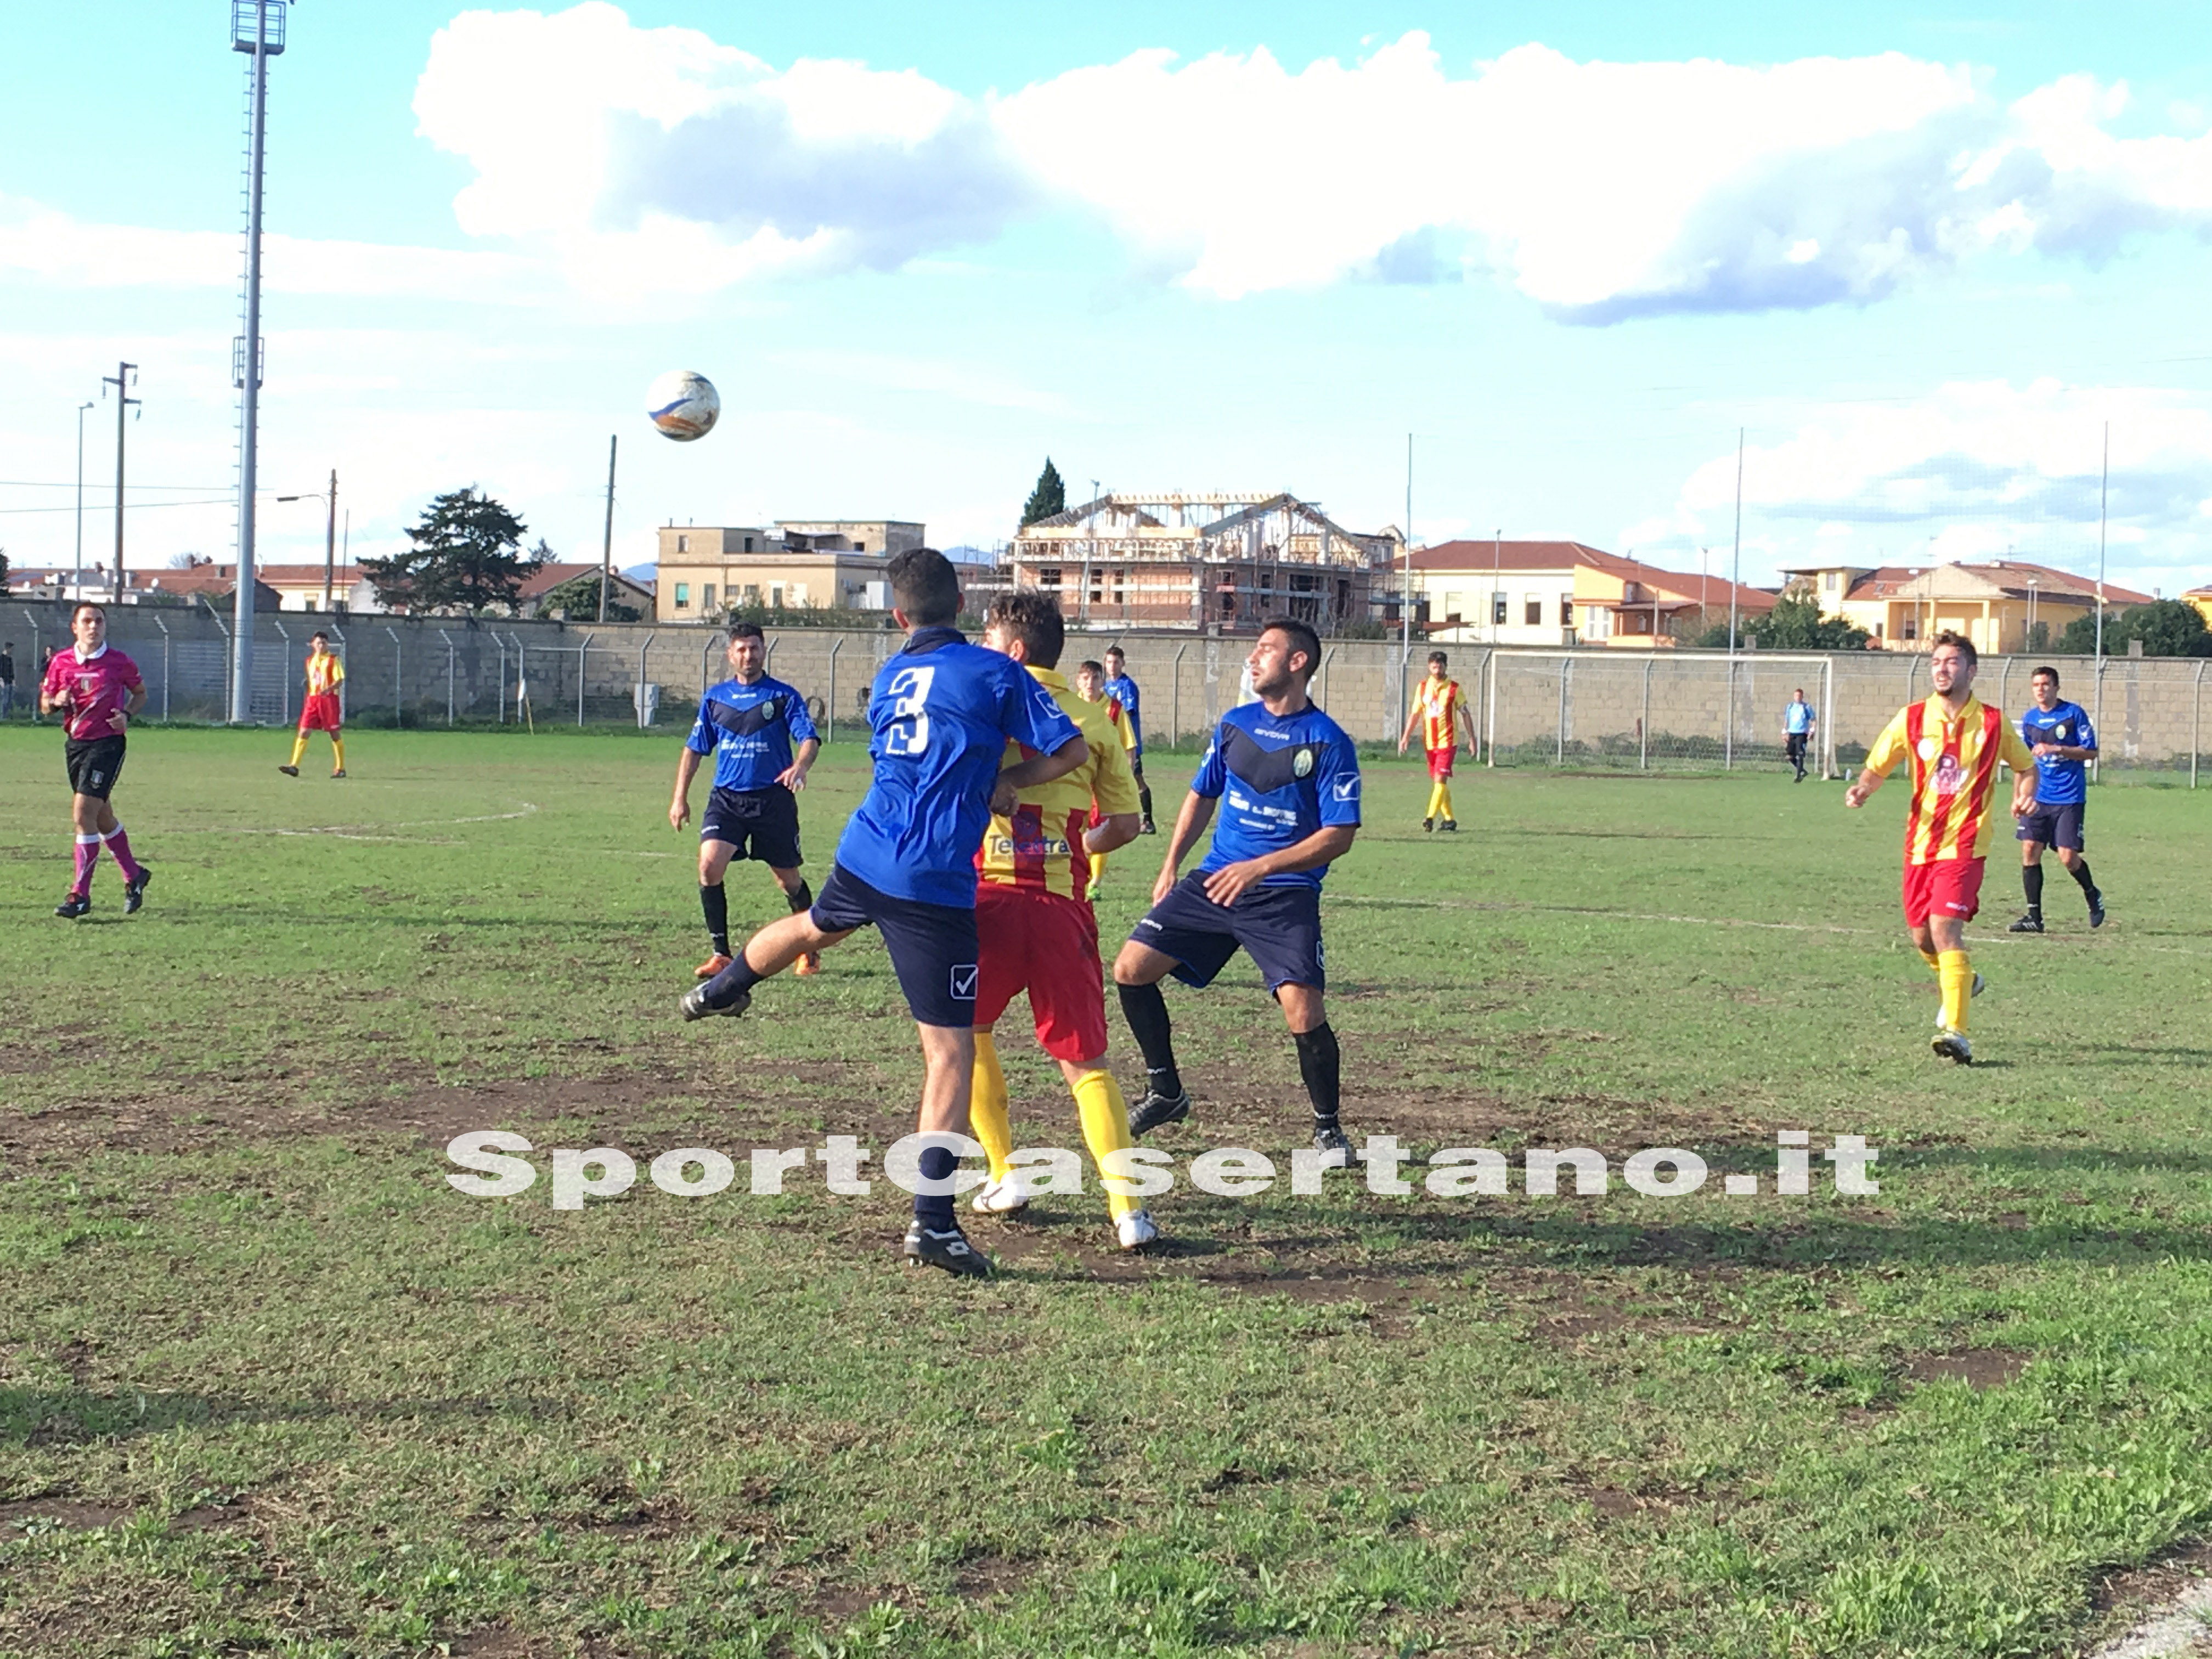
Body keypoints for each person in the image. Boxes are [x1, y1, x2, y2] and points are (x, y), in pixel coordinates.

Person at [680, 548, 1087, 1277]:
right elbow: (1067, 750)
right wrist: (1007, 778)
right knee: (950, 1054)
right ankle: (933, 1222)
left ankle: (724, 985)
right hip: (932, 882)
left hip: (867, 850)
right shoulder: (998, 673)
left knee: (816, 926)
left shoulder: (895, 675)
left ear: (900, 616)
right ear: (960, 602)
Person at [1114, 618, 1362, 1161]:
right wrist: (1171, 863)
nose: (1253, 659)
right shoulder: (1234, 724)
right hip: (1214, 879)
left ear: (1298, 663)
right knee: (1131, 970)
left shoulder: (1328, 741)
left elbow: (1339, 835)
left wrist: (1262, 868)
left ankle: (1328, 1129)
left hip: (1284, 890)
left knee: (1302, 1010)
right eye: (1253, 650)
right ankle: (1166, 1092)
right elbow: (1202, 795)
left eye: (1266, 650)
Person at [967, 597, 1157, 1250]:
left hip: (986, 904)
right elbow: (1126, 826)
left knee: (965, 1038)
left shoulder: (979, 710)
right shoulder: (1094, 724)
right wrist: (1066, 848)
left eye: (989, 638)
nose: (981, 648)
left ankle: (1004, 1173)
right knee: (1088, 1065)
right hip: (1060, 911)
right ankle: (1129, 1212)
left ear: (1015, 649)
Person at [1844, 632, 2036, 1065]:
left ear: (1971, 670)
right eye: (1936, 661)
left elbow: (2026, 767)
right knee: (1921, 937)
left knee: (1945, 930)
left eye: (1951, 662)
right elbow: (1878, 767)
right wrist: (1862, 790)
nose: (1942, 669)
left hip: (1966, 844)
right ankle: (1963, 981)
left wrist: (2024, 793)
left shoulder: (1992, 722)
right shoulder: (1911, 719)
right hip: (1920, 845)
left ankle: (1958, 1031)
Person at [670, 621, 822, 979]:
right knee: (709, 865)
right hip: (727, 799)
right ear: (730, 654)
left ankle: (810, 948)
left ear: (763, 651)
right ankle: (720, 954)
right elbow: (694, 750)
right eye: (741, 649)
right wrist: (680, 798)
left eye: (754, 648)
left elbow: (810, 741)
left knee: (789, 882)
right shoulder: (715, 699)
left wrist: (800, 767)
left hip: (773, 800)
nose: (748, 655)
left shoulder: (783, 696)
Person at [38, 602, 153, 919]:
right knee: (101, 816)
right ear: (75, 627)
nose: (93, 626)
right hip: (76, 745)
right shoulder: (60, 662)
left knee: (83, 811)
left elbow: (140, 693)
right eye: (87, 621)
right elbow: (45, 705)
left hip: (108, 744)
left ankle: (80, 895)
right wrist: (55, 701)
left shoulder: (118, 662)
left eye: (99, 621)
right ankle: (134, 874)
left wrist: (127, 715)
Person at [2009, 665, 2104, 932]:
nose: (2040, 689)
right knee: (2029, 850)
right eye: (2036, 685)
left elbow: (2092, 752)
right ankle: (2034, 918)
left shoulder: (2073, 714)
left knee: (2067, 857)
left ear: (2056, 687)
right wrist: (2018, 796)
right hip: (2038, 798)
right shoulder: (2030, 720)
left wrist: (2057, 748)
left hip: (2069, 797)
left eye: (2045, 684)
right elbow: (2023, 763)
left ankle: (2092, 894)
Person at [1073, 658, 1138, 900]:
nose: (1090, 683)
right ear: (1078, 681)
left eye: (1096, 678)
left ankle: (1094, 883)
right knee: (1074, 826)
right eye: (1086, 678)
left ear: (1103, 681)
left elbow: (1128, 745)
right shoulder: (1068, 707)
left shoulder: (1114, 709)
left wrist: (1127, 776)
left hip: (1103, 780)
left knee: (1101, 827)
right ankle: (1077, 875)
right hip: (1075, 778)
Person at [1397, 650, 1476, 831]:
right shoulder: (1423, 687)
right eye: (1434, 665)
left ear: (1445, 667)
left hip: (1448, 741)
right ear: (1429, 667)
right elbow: (1415, 714)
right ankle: (1449, 819)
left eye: (1440, 665)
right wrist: (1405, 737)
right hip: (1430, 743)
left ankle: (1430, 818)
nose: (1437, 668)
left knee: (1440, 779)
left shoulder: (1454, 689)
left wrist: (1472, 739)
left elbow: (1465, 714)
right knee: (1439, 782)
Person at [1101, 645, 1157, 833]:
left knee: (1135, 779)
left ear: (1123, 663)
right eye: (1109, 662)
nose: (1112, 666)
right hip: (1111, 742)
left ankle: (1147, 821)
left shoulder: (1127, 686)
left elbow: (1125, 712)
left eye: (1116, 662)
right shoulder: (1106, 686)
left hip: (1128, 743)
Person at [279, 631, 347, 778]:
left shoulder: (333, 660)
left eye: (324, 643)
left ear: (327, 644)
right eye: (318, 643)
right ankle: (294, 766)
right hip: (313, 700)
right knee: (303, 731)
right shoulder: (309, 661)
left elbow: (340, 679)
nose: (321, 645)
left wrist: (328, 689)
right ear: (313, 644)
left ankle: (340, 768)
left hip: (329, 700)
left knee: (334, 734)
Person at [1782, 689, 1816, 783]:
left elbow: (1813, 720)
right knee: (1790, 757)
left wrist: (1812, 731)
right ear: (1794, 696)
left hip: (1802, 734)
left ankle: (1798, 777)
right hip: (1792, 733)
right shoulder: (1790, 707)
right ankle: (1802, 771)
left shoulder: (1806, 707)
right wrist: (1784, 732)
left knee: (1800, 754)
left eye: (1799, 696)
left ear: (1802, 697)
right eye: (1796, 696)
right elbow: (1786, 720)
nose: (1798, 697)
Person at [1, 640, 16, 721]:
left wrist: (13, 680)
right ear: (7, 648)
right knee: (4, 700)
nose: (11, 650)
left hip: (10, 682)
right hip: (4, 682)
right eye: (11, 649)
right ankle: (2, 717)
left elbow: (11, 671)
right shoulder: (1, 658)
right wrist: (1, 680)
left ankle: (6, 716)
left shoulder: (10, 659)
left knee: (9, 700)